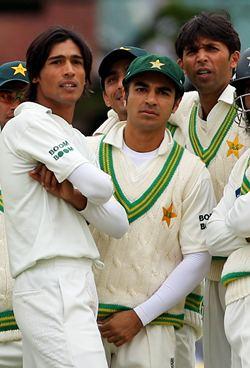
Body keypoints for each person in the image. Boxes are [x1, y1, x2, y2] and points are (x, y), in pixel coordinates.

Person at [0, 26, 129, 368]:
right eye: (57, 62)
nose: (69, 70)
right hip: (51, 278)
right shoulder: (27, 123)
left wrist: (74, 196)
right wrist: (89, 190)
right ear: (37, 76)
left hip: (73, 279)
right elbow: (103, 188)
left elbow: (118, 223)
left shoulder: (70, 134)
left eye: (76, 62)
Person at [84, 53, 215, 368]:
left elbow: (198, 256)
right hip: (84, 318)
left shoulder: (192, 170)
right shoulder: (86, 153)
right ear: (124, 96)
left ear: (176, 103)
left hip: (152, 323)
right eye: (142, 88)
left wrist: (139, 316)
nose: (151, 99)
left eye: (163, 92)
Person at [169, 12, 250, 368]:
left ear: (234, 58)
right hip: (193, 265)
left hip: (238, 260)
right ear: (181, 62)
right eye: (192, 50)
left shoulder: (246, 103)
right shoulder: (177, 107)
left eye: (212, 49)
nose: (201, 57)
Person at [206, 48, 250, 368]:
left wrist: (237, 219)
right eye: (249, 93)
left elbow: (240, 217)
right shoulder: (245, 161)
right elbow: (214, 237)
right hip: (235, 294)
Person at [0, 60, 29, 368]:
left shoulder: (65, 157)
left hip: (46, 325)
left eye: (25, 97)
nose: (16, 106)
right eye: (8, 96)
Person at [94, 46, 147, 136]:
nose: (121, 84)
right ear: (106, 98)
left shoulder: (178, 135)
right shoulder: (94, 147)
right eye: (112, 80)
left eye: (130, 73)